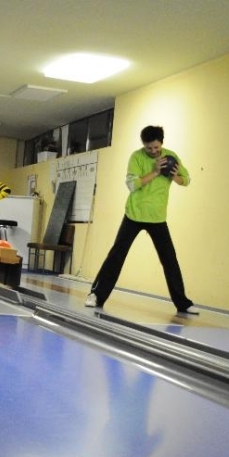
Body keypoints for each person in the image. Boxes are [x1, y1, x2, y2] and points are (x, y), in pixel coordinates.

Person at [84, 125, 198, 315]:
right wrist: (155, 171)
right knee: (116, 255)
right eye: (149, 148)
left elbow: (186, 180)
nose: (153, 151)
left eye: (156, 147)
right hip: (134, 215)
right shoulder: (136, 157)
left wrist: (174, 176)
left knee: (170, 259)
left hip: (158, 217)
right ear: (144, 145)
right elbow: (132, 184)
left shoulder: (171, 156)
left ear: (162, 143)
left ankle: (183, 303)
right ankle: (96, 295)